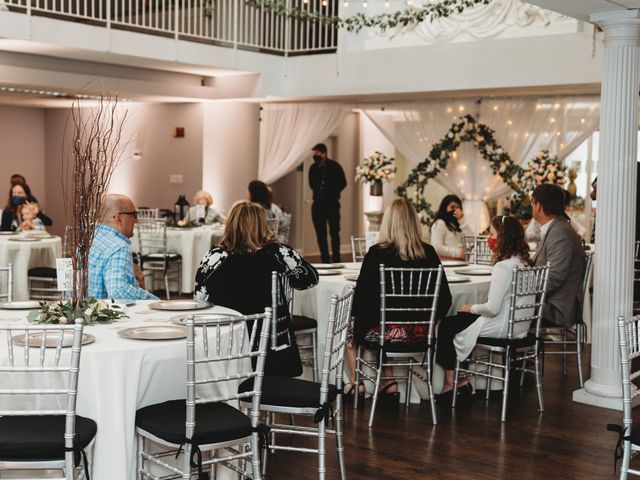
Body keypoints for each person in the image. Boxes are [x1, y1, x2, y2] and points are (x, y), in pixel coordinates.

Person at [194, 201, 318, 376]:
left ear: (231, 225)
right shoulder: (278, 253)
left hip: (225, 345)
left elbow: (199, 299)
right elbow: (310, 280)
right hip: (269, 348)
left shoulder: (215, 256)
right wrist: (290, 269)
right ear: (262, 225)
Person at [346, 198, 452, 401]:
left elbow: (360, 301)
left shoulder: (377, 254)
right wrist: (428, 323)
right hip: (421, 334)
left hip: (386, 335)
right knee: (382, 321)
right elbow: (445, 299)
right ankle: (386, 380)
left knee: (349, 327)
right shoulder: (428, 253)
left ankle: (356, 382)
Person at [436, 215, 534, 394]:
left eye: (492, 233)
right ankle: (461, 378)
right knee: (460, 320)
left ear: (502, 237)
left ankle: (452, 382)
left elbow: (492, 308)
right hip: (520, 326)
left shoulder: (503, 267)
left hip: (502, 327)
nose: (489, 238)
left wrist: (470, 307)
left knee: (447, 326)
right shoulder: (525, 263)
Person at [532, 183, 585, 327]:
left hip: (557, 307)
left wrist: (524, 292)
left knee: (504, 305)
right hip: (550, 300)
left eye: (532, 202)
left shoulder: (560, 233)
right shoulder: (557, 228)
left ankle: (507, 347)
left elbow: (555, 276)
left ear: (538, 206)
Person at [88, 194, 158, 300]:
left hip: (84, 313)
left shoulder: (90, 239)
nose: (136, 220)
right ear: (118, 218)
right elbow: (119, 292)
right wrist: (153, 300)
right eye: (134, 214)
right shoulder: (119, 247)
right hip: (108, 314)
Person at [309, 143, 347, 263]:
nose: (314, 156)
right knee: (320, 233)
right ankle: (324, 258)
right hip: (318, 204)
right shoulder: (313, 168)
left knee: (334, 231)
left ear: (324, 153)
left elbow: (343, 182)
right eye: (314, 154)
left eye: (317, 153)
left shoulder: (335, 166)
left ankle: (336, 257)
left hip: (332, 204)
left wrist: (332, 192)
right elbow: (311, 184)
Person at [430, 194, 473, 260]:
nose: (455, 210)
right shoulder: (440, 223)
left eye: (458, 207)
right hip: (447, 266)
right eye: (452, 207)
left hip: (461, 265)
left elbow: (471, 239)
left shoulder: (459, 224)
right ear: (445, 208)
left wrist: (462, 220)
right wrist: (458, 253)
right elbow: (436, 247)